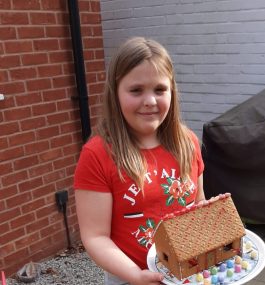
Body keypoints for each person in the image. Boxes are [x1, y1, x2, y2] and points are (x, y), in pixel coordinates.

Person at [74, 37, 206, 285]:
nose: (150, 101)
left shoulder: (188, 143)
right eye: (136, 90)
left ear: (172, 90)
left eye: (159, 89)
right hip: (131, 277)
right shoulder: (98, 155)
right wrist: (135, 275)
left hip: (188, 273)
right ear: (116, 92)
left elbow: (197, 205)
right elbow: (95, 236)